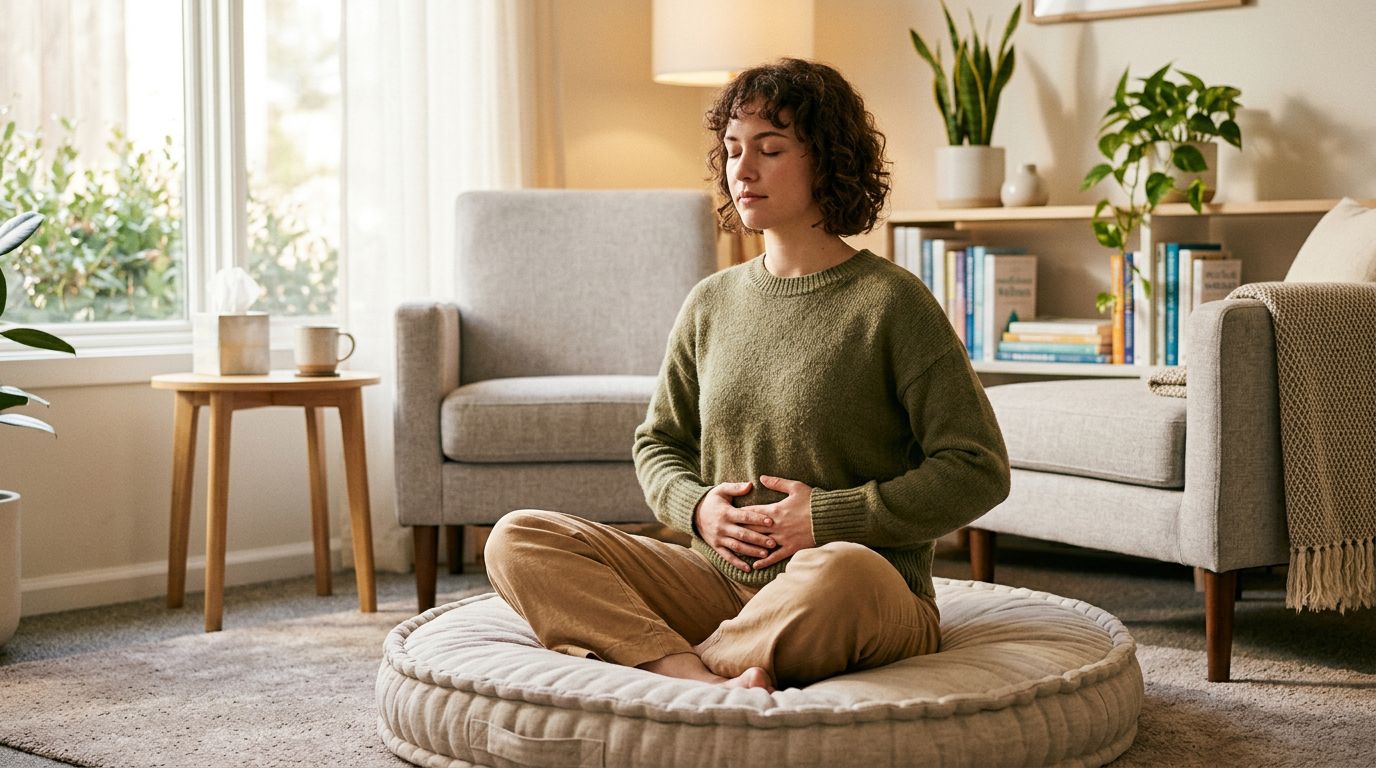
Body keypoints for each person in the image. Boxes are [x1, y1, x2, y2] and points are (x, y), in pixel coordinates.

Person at [484, 58, 1010, 692]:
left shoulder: (892, 303)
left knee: (841, 571)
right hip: (713, 583)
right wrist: (698, 508)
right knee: (519, 538)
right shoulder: (710, 302)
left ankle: (673, 666)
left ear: (828, 160)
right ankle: (697, 676)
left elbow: (978, 468)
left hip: (853, 591)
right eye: (733, 150)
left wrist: (826, 519)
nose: (743, 169)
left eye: (770, 149)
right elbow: (658, 444)